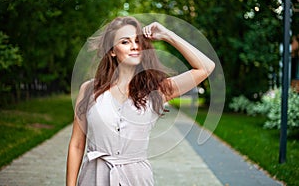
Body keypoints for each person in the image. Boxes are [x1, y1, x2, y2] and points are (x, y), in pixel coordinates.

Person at [66, 16, 215, 186]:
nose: (135, 46)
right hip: (93, 177)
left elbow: (206, 67)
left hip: (136, 179)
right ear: (112, 51)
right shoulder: (89, 90)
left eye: (137, 40)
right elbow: (77, 145)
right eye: (125, 42)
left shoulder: (156, 91)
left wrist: (167, 34)